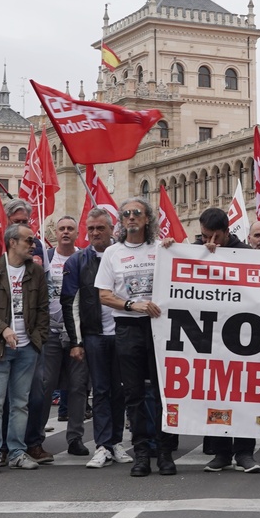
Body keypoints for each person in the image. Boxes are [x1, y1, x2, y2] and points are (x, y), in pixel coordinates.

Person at [96, 197, 178, 478]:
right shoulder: (112, 253)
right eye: (126, 214)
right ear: (121, 220)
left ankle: (165, 452)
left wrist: (174, 248)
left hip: (160, 330)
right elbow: (104, 295)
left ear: (147, 219)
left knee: (164, 393)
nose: (131, 217)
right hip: (128, 328)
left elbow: (190, 270)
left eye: (137, 214)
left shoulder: (162, 248)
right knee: (133, 395)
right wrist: (133, 305)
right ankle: (141, 453)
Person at [0, 222, 49, 474]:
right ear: (13, 242)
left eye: (33, 240)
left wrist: (38, 338)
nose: (33, 244)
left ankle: (17, 452)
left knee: (20, 403)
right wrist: (3, 330)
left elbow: (42, 310)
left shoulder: (36, 272)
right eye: (28, 240)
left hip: (28, 349)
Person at [61, 207, 130, 469]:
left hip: (124, 334)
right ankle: (102, 445)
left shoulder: (124, 256)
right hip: (94, 336)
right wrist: (76, 342)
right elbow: (70, 304)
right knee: (100, 390)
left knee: (120, 391)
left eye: (100, 228)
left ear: (112, 229)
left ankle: (116, 442)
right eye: (90, 228)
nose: (95, 233)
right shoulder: (77, 262)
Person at [197, 207, 260, 473]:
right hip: (212, 337)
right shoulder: (195, 251)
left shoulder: (246, 253)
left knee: (243, 395)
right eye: (204, 237)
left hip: (243, 337)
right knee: (218, 393)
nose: (210, 242)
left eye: (215, 237)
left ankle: (245, 452)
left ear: (226, 232)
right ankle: (221, 452)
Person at [27, 215, 90, 462]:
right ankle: (36, 440)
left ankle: (75, 439)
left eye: (70, 229)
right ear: (56, 232)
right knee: (44, 387)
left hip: (77, 334)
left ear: (76, 233)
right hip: (50, 334)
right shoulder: (45, 259)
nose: (65, 232)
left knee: (77, 387)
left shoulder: (84, 258)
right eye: (61, 228)